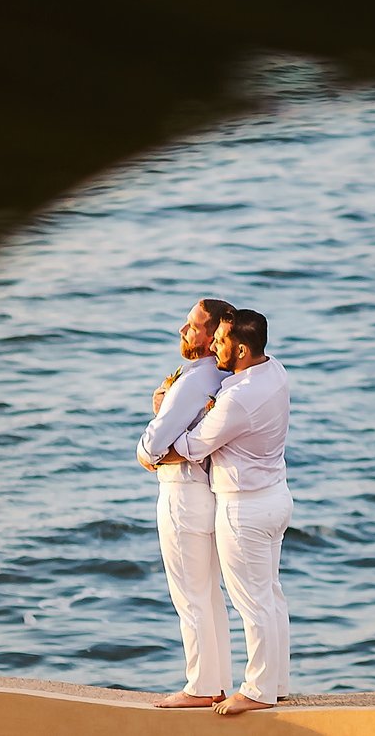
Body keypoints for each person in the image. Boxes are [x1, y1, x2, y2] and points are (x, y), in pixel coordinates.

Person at [171, 309, 292, 715]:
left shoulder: (238, 399)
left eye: (221, 342)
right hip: (276, 498)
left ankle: (257, 691)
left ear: (241, 349)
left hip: (244, 510)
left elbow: (190, 446)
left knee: (251, 602)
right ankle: (276, 683)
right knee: (270, 595)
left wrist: (162, 419)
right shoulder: (274, 371)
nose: (214, 348)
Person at [138, 298, 237, 709]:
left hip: (181, 494)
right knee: (209, 596)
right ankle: (215, 684)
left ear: (212, 335)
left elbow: (152, 445)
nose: (182, 330)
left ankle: (199, 687)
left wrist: (146, 453)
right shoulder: (225, 378)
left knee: (190, 597)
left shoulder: (194, 381)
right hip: (209, 495)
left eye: (193, 326)